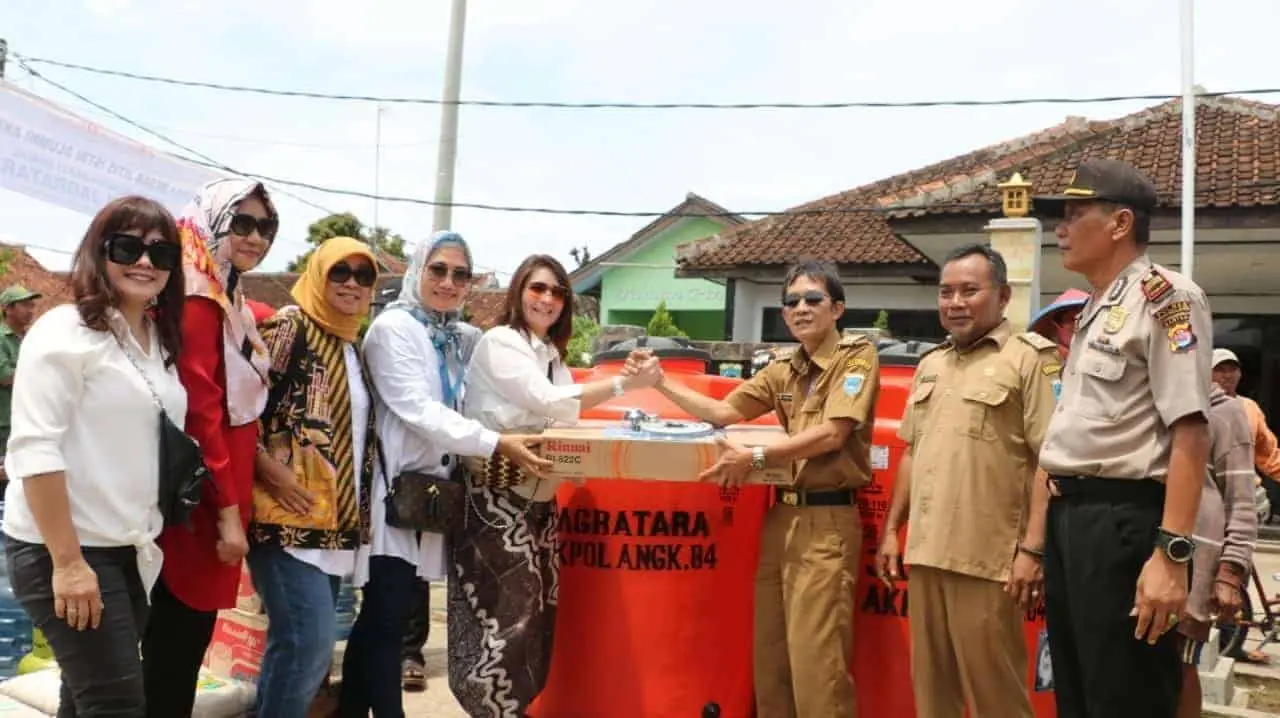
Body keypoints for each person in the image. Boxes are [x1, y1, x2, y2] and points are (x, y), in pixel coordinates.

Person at [623, 259, 878, 718]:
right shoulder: (784, 369)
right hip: (781, 518)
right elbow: (722, 413)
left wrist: (757, 458)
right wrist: (660, 382)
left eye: (813, 299)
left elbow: (833, 434)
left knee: (819, 669)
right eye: (792, 302)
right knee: (773, 663)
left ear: (837, 308)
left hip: (827, 523)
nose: (801, 308)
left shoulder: (855, 358)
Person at [1028, 158, 1213, 718]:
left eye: (1074, 214)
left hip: (1123, 526)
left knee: (1125, 695)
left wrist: (1171, 554)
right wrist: (1038, 542)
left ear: (1120, 223)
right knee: (1079, 694)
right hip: (1073, 522)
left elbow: (1190, 429)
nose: (1059, 228)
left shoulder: (1167, 298)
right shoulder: (1091, 309)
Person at [340, 233, 551, 718]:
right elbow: (417, 409)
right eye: (438, 270)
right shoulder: (393, 329)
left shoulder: (463, 339)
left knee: (383, 619)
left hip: (436, 498)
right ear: (418, 271)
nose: (449, 282)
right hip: (394, 491)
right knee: (386, 615)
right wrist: (496, 443)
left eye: (460, 274)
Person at [450, 254, 661, 717]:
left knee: (533, 624)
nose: (547, 299)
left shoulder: (551, 356)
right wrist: (623, 384)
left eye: (556, 292)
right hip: (496, 503)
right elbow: (547, 402)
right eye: (537, 288)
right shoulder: (501, 342)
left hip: (538, 504)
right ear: (518, 292)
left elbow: (565, 414)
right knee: (501, 624)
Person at [3, 196, 186, 716]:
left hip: (131, 549)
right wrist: (68, 564)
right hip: (65, 548)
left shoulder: (156, 340)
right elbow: (34, 448)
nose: (146, 262)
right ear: (97, 252)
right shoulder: (66, 331)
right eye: (127, 246)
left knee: (86, 701)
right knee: (115, 703)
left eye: (161, 252)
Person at [874, 243, 1059, 718]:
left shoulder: (1030, 361)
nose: (955, 302)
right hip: (927, 551)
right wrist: (892, 531)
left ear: (1002, 297)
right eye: (946, 292)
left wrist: (1032, 550)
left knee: (997, 694)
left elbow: (1050, 461)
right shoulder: (931, 364)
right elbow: (913, 451)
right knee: (932, 693)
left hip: (989, 561)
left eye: (969, 291)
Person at [140, 179, 278, 717]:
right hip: (200, 505)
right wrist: (226, 515)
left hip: (218, 493)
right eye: (240, 222)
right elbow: (201, 411)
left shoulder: (227, 293)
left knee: (175, 656)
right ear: (213, 222)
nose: (254, 236)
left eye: (265, 226)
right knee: (173, 657)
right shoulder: (199, 297)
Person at [249, 236, 380, 718]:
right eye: (338, 272)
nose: (351, 283)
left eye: (363, 275)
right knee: (307, 648)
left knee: (298, 650)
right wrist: (271, 472)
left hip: (329, 525)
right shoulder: (290, 327)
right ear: (318, 276)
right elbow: (240, 411)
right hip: (285, 520)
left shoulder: (350, 343)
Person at [1174, 371, 1256, 718]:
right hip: (1135, 555)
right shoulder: (1143, 404)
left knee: (1179, 667)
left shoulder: (1226, 411)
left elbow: (1241, 499)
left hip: (1194, 564)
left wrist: (1230, 571)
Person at [1210, 348, 1280, 521]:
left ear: (1240, 374)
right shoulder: (1197, 409)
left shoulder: (1250, 408)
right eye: (1220, 370)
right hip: (1207, 495)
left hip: (1246, 496)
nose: (1228, 375)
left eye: (1232, 369)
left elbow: (1269, 456)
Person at [0, 284, 41, 485]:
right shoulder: (1, 339)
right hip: (3, 425)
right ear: (8, 308)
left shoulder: (30, 339)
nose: (30, 310)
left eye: (32, 305)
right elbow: (5, 377)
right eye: (24, 305)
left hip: (24, 422)